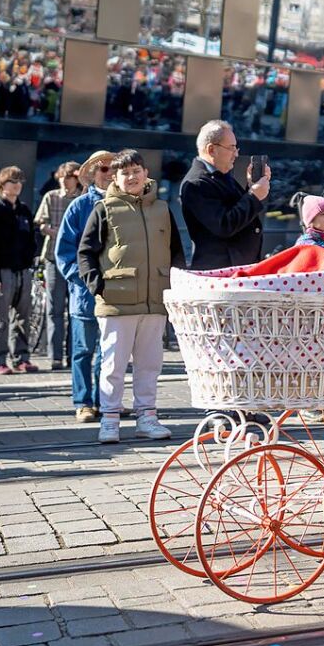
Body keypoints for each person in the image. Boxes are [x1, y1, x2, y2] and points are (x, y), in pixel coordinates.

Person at [78, 149, 185, 444]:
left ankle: (147, 418)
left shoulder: (163, 208)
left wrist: (176, 286)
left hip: (155, 300)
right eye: (125, 173)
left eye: (136, 170)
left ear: (146, 173)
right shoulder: (104, 209)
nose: (132, 176)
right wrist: (96, 286)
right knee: (113, 365)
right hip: (117, 302)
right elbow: (85, 252)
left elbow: (177, 252)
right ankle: (110, 420)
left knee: (150, 364)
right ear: (116, 177)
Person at [56, 150, 115, 423]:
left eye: (114, 168)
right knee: (83, 351)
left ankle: (105, 400)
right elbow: (64, 254)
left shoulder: (124, 204)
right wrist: (84, 282)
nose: (110, 173)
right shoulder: (79, 207)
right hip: (86, 294)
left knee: (110, 353)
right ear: (92, 174)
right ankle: (83, 402)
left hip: (115, 295)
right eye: (104, 169)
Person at [181, 120, 269, 271]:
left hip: (237, 269)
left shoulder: (220, 175)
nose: (236, 154)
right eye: (232, 148)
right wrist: (253, 196)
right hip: (219, 273)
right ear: (211, 150)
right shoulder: (196, 183)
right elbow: (224, 225)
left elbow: (238, 211)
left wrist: (251, 188)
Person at [0, 166, 38, 375]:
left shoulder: (24, 210)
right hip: (1, 271)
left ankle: (21, 358)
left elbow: (31, 238)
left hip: (23, 271)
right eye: (13, 181)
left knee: (23, 317)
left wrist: (30, 261)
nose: (18, 185)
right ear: (2, 185)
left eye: (20, 181)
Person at [34, 161, 81, 369]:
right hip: (53, 257)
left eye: (69, 176)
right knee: (54, 309)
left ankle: (74, 355)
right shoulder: (51, 197)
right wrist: (52, 231)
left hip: (78, 260)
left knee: (76, 309)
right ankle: (55, 356)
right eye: (62, 177)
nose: (64, 180)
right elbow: (41, 224)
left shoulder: (82, 199)